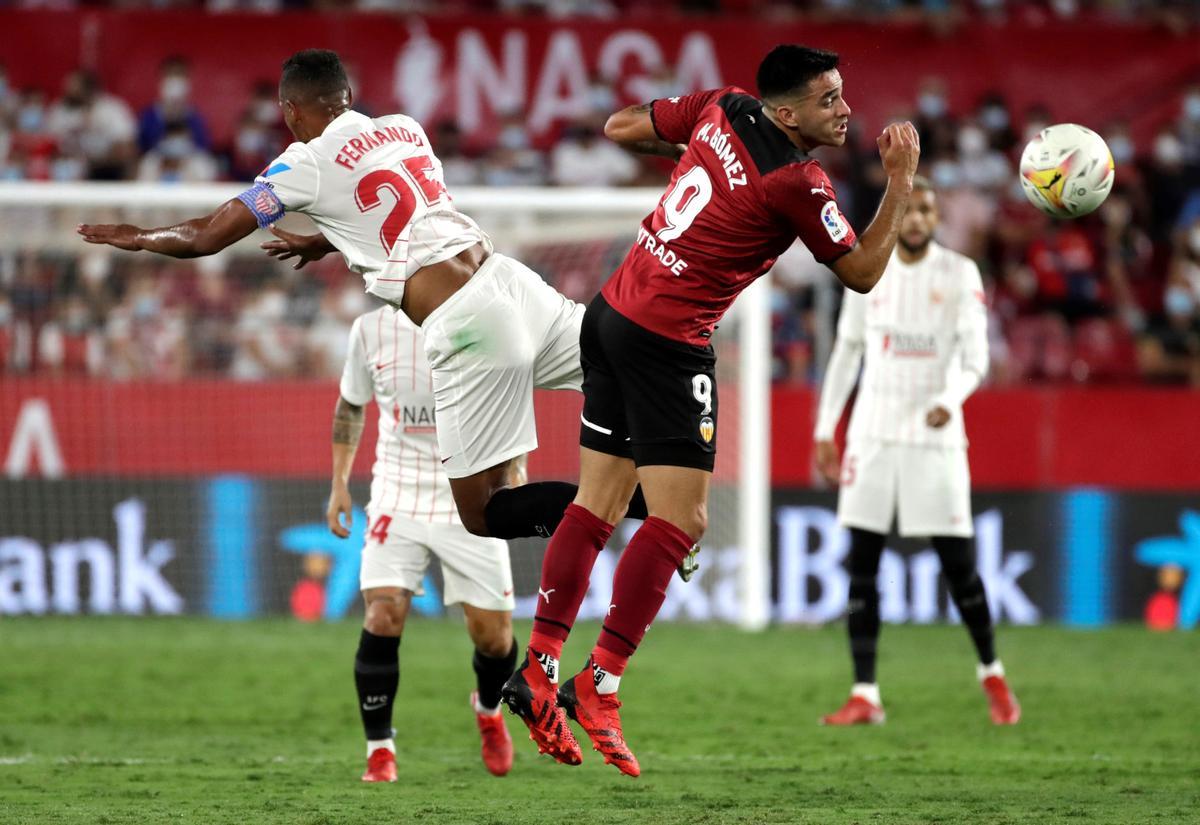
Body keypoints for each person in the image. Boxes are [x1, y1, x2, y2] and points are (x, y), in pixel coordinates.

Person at [499, 44, 920, 775]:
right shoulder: (798, 179)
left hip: (610, 314)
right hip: (666, 342)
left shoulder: (721, 105)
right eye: (828, 100)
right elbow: (860, 272)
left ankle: (537, 666)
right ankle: (598, 684)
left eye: (843, 93)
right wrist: (902, 184)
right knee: (681, 520)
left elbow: (620, 126)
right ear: (785, 114)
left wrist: (698, 153)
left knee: (596, 503)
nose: (845, 109)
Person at [78, 48, 644, 541]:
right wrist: (330, 242)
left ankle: (636, 508)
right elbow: (404, 213)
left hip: (469, 324)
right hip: (514, 283)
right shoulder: (403, 127)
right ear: (347, 96)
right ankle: (668, 493)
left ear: (290, 110)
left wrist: (138, 236)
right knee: (616, 360)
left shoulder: (305, 161)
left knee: (484, 512)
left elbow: (206, 236)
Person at [813, 176, 1020, 727]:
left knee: (961, 569)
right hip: (873, 434)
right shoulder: (865, 271)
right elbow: (846, 353)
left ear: (937, 217)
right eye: (907, 209)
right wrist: (823, 429)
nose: (916, 219)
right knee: (862, 567)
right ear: (895, 213)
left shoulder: (959, 274)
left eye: (926, 209)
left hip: (936, 435)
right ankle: (865, 693)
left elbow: (976, 358)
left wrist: (949, 400)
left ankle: (992, 673)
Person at [330, 305, 518, 782]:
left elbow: (508, 400)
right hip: (398, 494)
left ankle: (489, 709)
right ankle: (379, 751)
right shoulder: (370, 330)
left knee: (494, 640)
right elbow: (351, 404)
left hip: (471, 493)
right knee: (382, 614)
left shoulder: (478, 322)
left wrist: (513, 475)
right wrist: (339, 483)